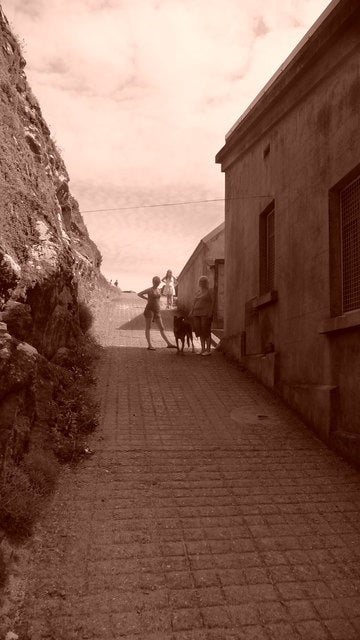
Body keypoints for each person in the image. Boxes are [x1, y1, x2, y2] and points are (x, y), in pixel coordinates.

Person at [138, 276, 177, 350]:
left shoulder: (159, 290)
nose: (158, 283)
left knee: (162, 328)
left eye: (158, 282)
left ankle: (169, 344)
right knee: (148, 327)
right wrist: (147, 299)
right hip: (149, 310)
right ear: (153, 282)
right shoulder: (149, 290)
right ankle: (150, 345)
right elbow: (139, 294)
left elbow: (158, 299)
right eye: (157, 282)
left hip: (157, 311)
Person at [189, 275, 213, 356]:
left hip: (205, 314)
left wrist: (210, 312)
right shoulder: (198, 292)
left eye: (204, 281)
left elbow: (213, 303)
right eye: (201, 281)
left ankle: (208, 350)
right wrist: (191, 311)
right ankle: (203, 349)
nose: (202, 283)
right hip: (196, 313)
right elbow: (194, 302)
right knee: (199, 331)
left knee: (206, 331)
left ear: (206, 283)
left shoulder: (210, 291)